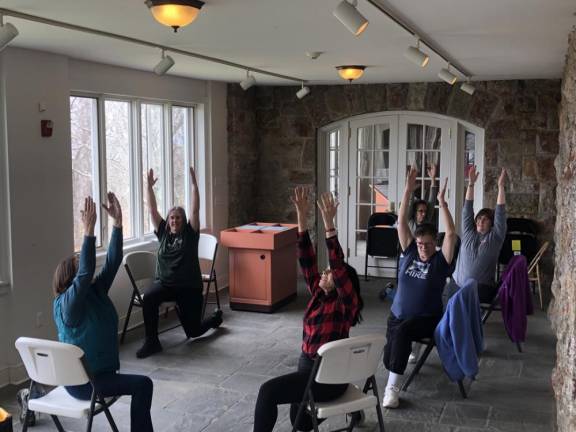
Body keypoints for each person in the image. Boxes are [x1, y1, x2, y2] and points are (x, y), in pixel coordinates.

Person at [253, 188, 363, 432]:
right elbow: (305, 258)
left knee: (267, 392)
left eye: (329, 273)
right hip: (307, 369)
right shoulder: (318, 294)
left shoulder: (345, 305)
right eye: (324, 271)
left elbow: (338, 264)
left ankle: (347, 403)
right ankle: (351, 407)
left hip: (328, 377)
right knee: (300, 422)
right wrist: (301, 216)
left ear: (342, 283)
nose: (324, 273)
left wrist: (329, 224)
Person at [53, 194, 153, 431]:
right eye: (79, 266)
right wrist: (88, 230)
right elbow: (86, 273)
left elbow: (112, 261)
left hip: (100, 375)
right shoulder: (68, 304)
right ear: (70, 277)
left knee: (142, 384)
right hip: (84, 382)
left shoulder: (94, 291)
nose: (86, 269)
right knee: (143, 385)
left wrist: (118, 224)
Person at [382, 167, 457, 409]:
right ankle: (398, 364)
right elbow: (402, 221)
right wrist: (407, 191)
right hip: (397, 315)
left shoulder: (440, 262)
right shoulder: (410, 252)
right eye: (420, 243)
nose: (422, 247)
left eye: (427, 243)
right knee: (389, 354)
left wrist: (442, 203)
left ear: (434, 243)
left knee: (403, 334)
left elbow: (452, 234)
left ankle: (392, 390)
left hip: (426, 318)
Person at [137, 167, 222, 359]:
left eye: (178, 218)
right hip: (165, 285)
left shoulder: (190, 235)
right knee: (149, 297)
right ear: (168, 221)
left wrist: (194, 186)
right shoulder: (163, 234)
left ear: (184, 221)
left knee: (193, 332)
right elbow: (151, 209)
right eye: (172, 218)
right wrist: (148, 187)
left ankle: (214, 319)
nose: (174, 221)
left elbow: (195, 209)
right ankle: (152, 342)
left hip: (188, 288)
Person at [451, 166, 507, 303]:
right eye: (479, 218)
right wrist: (470, 184)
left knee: (462, 303)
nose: (480, 221)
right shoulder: (469, 232)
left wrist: (500, 187)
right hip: (457, 285)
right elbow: (467, 210)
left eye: (485, 219)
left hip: (481, 289)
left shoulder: (495, 238)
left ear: (492, 223)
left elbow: (500, 213)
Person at [408, 164, 438, 234]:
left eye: (425, 211)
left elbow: (432, 200)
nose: (424, 214)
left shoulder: (426, 220)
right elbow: (409, 202)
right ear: (415, 212)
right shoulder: (409, 220)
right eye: (421, 211)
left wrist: (433, 179)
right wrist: (411, 190)